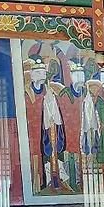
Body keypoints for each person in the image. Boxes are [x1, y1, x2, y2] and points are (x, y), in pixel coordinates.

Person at [26, 55, 69, 189]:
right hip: (32, 133)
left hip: (48, 131)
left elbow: (55, 112)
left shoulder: (49, 90)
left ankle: (55, 180)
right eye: (38, 72)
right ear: (32, 75)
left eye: (44, 72)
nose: (42, 75)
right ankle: (37, 185)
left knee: (52, 153)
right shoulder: (26, 92)